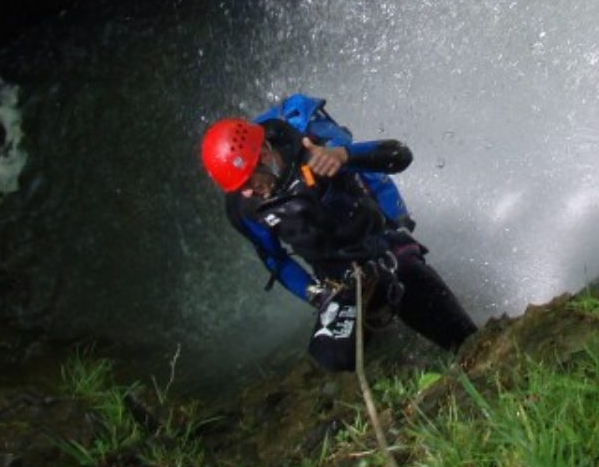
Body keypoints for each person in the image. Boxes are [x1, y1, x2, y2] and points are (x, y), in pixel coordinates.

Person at [199, 97, 478, 372]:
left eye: (249, 181)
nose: (247, 192)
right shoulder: (243, 208)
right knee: (331, 360)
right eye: (239, 188)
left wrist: (342, 156)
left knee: (452, 328)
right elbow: (275, 259)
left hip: (381, 245)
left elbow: (399, 156)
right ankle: (388, 358)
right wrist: (316, 294)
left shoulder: (312, 142)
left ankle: (472, 352)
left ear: (264, 155)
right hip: (338, 279)